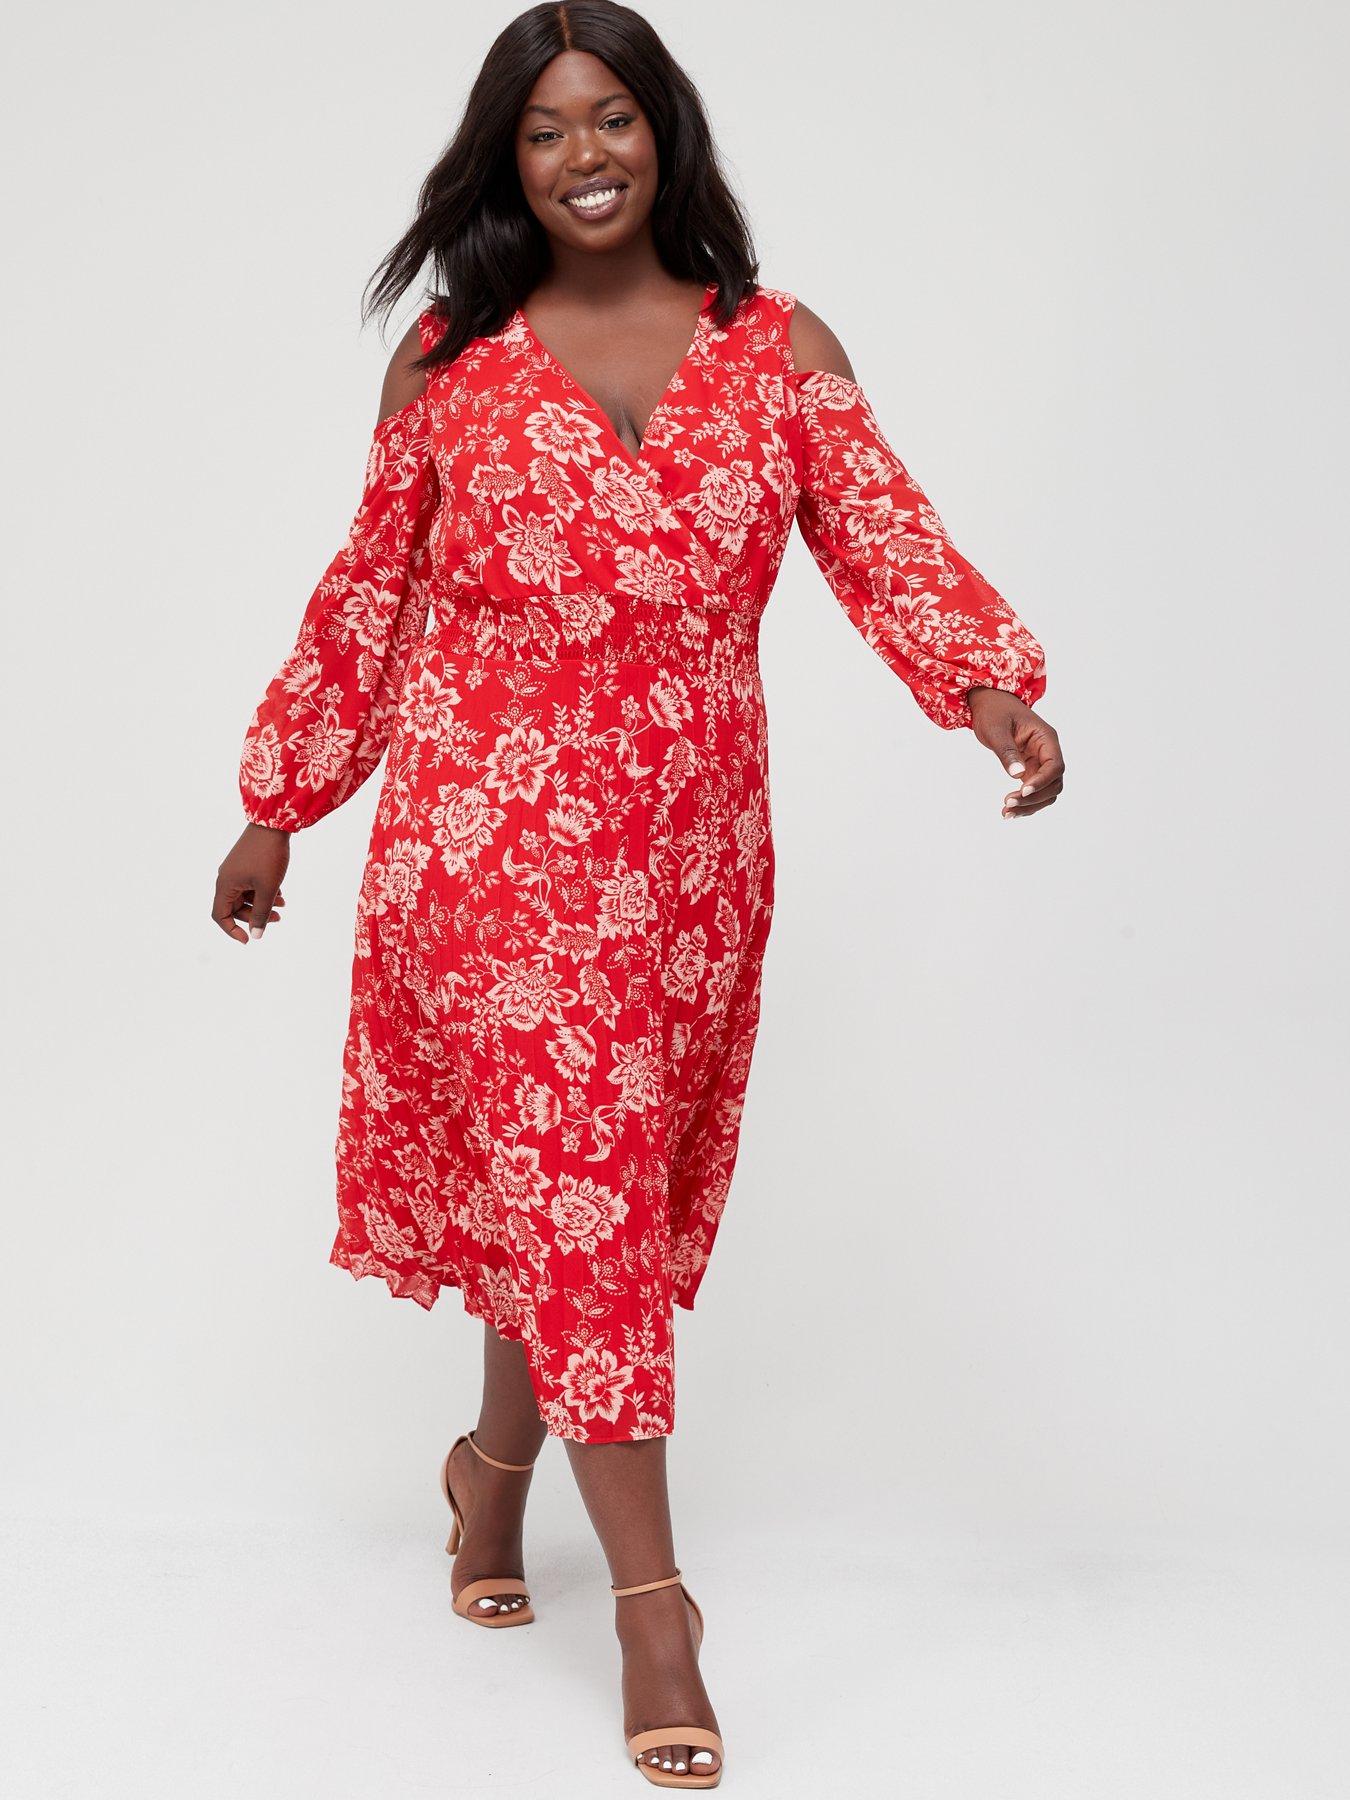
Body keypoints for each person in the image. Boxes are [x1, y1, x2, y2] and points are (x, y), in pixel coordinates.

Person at [213, 1, 1063, 1786]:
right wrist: (279, 805)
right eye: (543, 130)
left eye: (610, 117)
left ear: (663, 132)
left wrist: (988, 692)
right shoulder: (449, 361)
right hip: (488, 848)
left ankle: (488, 1477)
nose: (581, 154)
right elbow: (369, 596)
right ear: (503, 162)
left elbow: (883, 541)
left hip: (688, 862)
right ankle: (654, 1612)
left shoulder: (776, 347)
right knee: (583, 1194)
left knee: (575, 1195)